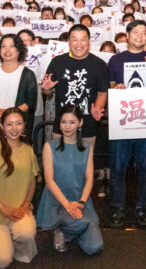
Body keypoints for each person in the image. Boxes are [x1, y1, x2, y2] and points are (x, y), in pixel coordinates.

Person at [106, 20, 146, 227]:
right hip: (121, 121)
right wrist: (118, 89)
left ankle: (143, 207)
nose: (140, 36)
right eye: (136, 32)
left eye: (144, 33)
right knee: (118, 168)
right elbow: (110, 87)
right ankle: (118, 207)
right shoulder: (115, 60)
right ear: (127, 34)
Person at [0, 108, 39, 269]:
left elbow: (32, 181)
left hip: (18, 211)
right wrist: (2, 208)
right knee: (2, 261)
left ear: (24, 126)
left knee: (26, 236)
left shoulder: (29, 151)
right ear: (2, 127)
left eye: (18, 124)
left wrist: (26, 204)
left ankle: (10, 242)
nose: (14, 128)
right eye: (9, 124)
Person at [36, 105, 103, 255]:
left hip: (80, 201)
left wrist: (81, 203)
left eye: (72, 122)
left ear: (80, 123)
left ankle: (68, 233)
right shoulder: (50, 146)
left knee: (94, 247)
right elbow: (49, 181)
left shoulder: (87, 147)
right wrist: (67, 205)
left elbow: (89, 178)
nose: (66, 126)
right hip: (57, 202)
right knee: (82, 222)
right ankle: (61, 228)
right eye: (63, 121)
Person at [40, 24, 108, 145]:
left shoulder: (99, 64)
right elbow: (47, 93)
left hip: (88, 125)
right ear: (69, 42)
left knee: (86, 161)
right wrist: (46, 89)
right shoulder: (57, 62)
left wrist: (98, 108)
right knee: (59, 160)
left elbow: (102, 93)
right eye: (75, 39)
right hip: (62, 126)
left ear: (89, 41)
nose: (79, 44)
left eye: (83, 39)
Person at [0, 34, 38, 152]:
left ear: (19, 50)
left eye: (11, 46)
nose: (7, 50)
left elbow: (30, 102)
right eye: (3, 46)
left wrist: (10, 112)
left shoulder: (27, 74)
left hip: (15, 130)